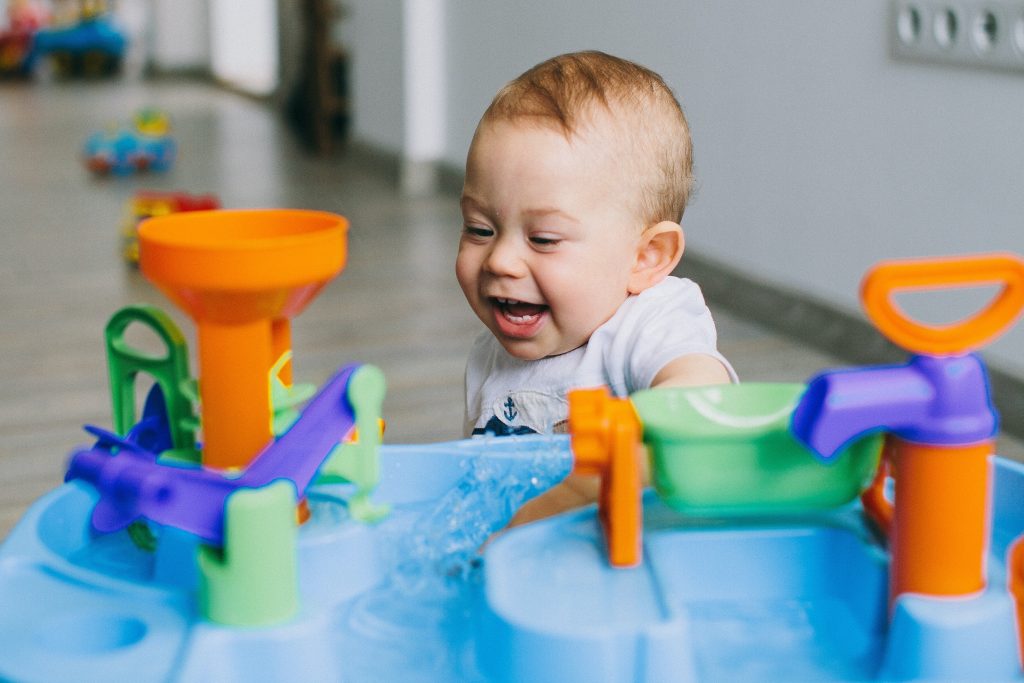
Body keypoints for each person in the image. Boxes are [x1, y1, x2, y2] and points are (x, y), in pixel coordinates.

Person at [456, 50, 736, 524]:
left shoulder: (649, 323)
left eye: (542, 239)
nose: (500, 260)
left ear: (646, 257)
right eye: (479, 229)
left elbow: (701, 393)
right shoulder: (490, 357)